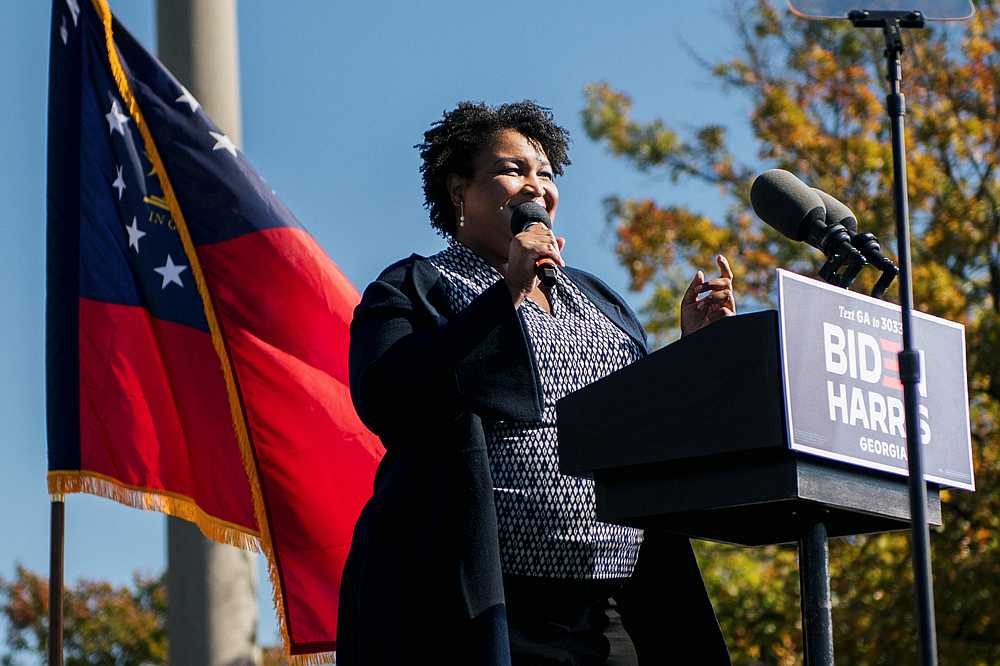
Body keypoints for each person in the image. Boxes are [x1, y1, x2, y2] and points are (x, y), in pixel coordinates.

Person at [336, 101, 735, 665]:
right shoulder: (412, 287)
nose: (535, 187)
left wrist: (695, 351)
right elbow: (388, 397)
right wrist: (506, 295)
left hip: (612, 607)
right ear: (458, 190)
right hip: (477, 610)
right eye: (513, 170)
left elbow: (645, 423)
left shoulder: (600, 302)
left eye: (545, 174)